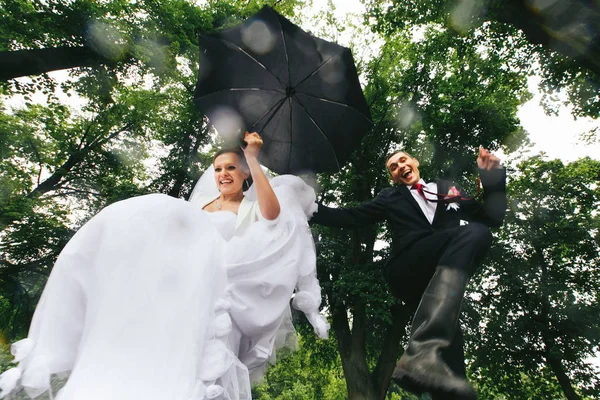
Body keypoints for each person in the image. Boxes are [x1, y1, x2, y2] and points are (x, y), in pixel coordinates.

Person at [0, 132, 328, 400]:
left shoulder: (251, 208)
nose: (223, 175)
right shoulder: (198, 207)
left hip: (221, 298)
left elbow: (273, 214)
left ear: (244, 175)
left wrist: (253, 157)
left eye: (230, 168)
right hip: (183, 294)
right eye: (217, 169)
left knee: (204, 370)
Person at [310, 147, 506, 399]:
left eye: (403, 160)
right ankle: (423, 350)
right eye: (393, 167)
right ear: (393, 178)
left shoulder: (447, 187)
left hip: (439, 282)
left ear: (415, 162)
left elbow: (493, 217)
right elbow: (352, 216)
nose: (400, 166)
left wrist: (493, 179)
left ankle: (428, 369)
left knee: (451, 358)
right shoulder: (390, 197)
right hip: (408, 267)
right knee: (476, 232)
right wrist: (309, 209)